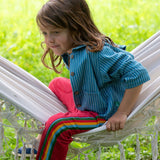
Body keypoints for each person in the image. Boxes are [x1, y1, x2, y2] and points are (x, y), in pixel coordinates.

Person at [34, 0, 150, 159]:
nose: (49, 40)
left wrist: (122, 113)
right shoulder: (74, 48)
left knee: (57, 125)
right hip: (88, 100)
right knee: (57, 84)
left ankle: (48, 140)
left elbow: (137, 73)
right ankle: (62, 125)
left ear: (76, 28)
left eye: (55, 32)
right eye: (45, 33)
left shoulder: (96, 54)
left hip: (102, 113)